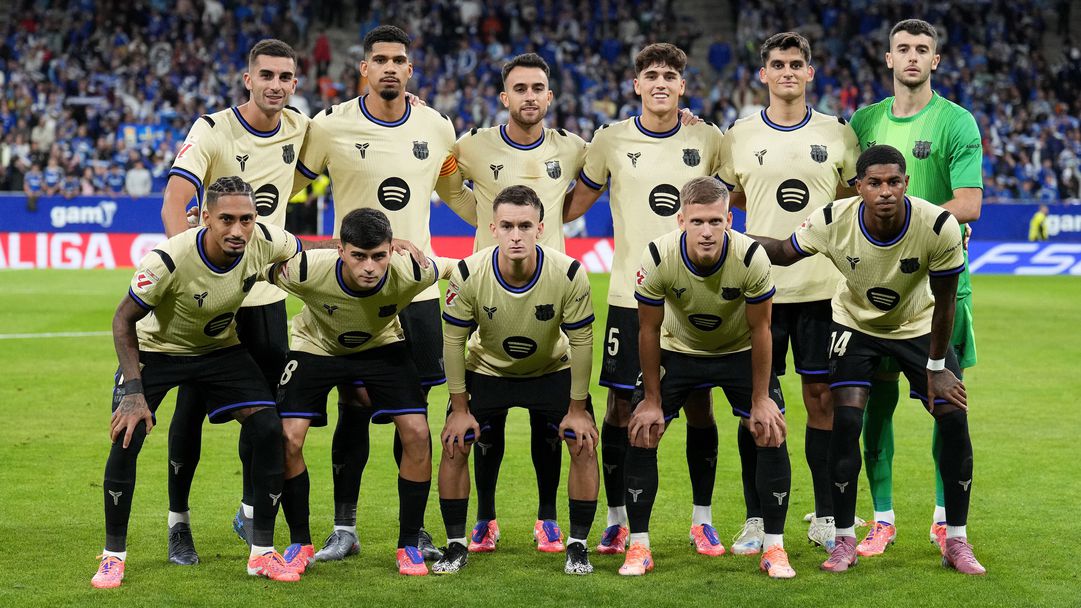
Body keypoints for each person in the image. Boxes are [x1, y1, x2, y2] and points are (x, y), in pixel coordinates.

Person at [752, 144, 986, 575]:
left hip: (918, 324)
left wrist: (937, 369)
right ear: (858, 187)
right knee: (845, 422)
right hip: (855, 325)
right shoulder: (832, 220)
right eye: (875, 183)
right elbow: (783, 251)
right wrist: (730, 240)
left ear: (906, 183)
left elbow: (946, 303)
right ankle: (844, 540)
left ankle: (956, 539)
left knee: (954, 417)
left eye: (894, 182)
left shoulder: (938, 226)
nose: (885, 191)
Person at [294, 24, 469, 562]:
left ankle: (412, 531)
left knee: (411, 412)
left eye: (399, 60)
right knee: (352, 405)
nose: (390, 68)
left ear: (410, 69)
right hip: (350, 289)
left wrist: (519, 223)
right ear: (364, 68)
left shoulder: (437, 126)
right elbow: (286, 187)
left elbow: (457, 194)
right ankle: (343, 528)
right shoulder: (329, 125)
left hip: (414, 294)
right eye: (380, 60)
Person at [91, 176, 306, 589]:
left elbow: (309, 249)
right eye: (226, 219)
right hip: (157, 351)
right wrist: (133, 392)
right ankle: (113, 557)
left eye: (246, 219)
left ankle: (262, 553)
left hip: (218, 350)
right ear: (205, 217)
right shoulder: (169, 259)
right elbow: (122, 320)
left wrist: (365, 248)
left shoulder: (263, 240)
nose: (238, 230)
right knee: (127, 432)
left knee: (268, 428)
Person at [563, 42, 727, 556]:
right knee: (620, 406)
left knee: (699, 402)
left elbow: (738, 195)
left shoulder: (708, 138)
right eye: (651, 75)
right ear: (636, 85)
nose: (660, 83)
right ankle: (616, 520)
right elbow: (571, 205)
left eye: (670, 76)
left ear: (683, 86)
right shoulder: (610, 139)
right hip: (629, 296)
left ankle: (702, 519)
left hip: (695, 295)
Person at [159, 38, 310, 566]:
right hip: (210, 300)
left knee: (264, 413)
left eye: (285, 77)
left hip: (264, 297)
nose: (276, 85)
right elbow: (176, 200)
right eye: (266, 75)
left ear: (295, 84)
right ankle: (179, 524)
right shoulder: (211, 129)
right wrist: (189, 273)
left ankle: (249, 511)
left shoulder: (300, 128)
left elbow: (351, 129)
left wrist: (409, 102)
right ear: (248, 79)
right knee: (191, 409)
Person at [434, 52, 587, 554]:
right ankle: (485, 518)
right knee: (487, 425)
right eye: (519, 88)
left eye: (537, 87)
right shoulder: (474, 145)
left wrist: (555, 220)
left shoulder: (573, 148)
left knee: (549, 425)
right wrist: (480, 215)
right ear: (504, 97)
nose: (529, 96)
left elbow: (598, 177)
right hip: (488, 291)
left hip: (552, 292)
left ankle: (548, 518)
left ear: (550, 96)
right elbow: (445, 180)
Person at [717, 31, 859, 553]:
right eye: (778, 64)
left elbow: (848, 195)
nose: (787, 72)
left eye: (796, 64)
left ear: (809, 73)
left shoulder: (838, 133)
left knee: (823, 402)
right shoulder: (739, 135)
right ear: (764, 74)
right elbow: (731, 195)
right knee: (755, 404)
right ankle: (756, 519)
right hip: (760, 292)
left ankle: (825, 516)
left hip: (823, 291)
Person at [849, 19, 984, 557]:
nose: (911, 56)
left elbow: (969, 203)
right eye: (902, 48)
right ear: (888, 58)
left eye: (921, 49)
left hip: (942, 291)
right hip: (877, 291)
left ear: (935, 60)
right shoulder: (863, 121)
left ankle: (945, 519)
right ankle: (882, 518)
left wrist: (914, 230)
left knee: (945, 404)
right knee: (874, 407)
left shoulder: (956, 121)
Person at [621, 176, 793, 579]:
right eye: (697, 221)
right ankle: (639, 546)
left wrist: (762, 398)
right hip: (678, 350)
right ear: (681, 220)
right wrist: (651, 399)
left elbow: (762, 329)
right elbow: (647, 329)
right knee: (643, 429)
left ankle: (774, 547)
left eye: (716, 221)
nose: (706, 231)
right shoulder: (658, 256)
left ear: (729, 220)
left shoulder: (751, 257)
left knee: (770, 429)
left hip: (739, 351)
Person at [269, 208, 452, 576]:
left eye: (379, 256)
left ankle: (408, 544)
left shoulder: (412, 270)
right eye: (358, 256)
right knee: (288, 438)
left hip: (380, 345)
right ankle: (300, 543)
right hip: (316, 346)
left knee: (417, 432)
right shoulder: (305, 270)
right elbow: (254, 265)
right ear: (341, 250)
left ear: (392, 250)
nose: (369, 267)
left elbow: (461, 269)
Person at [435, 185, 599, 575]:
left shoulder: (569, 273)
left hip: (551, 369)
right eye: (507, 226)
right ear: (492, 228)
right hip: (487, 370)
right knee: (455, 443)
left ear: (540, 228)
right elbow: (453, 342)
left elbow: (582, 341)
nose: (516, 235)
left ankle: (577, 546)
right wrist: (459, 408)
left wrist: (578, 409)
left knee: (583, 441)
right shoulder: (468, 273)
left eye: (525, 226)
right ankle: (457, 545)